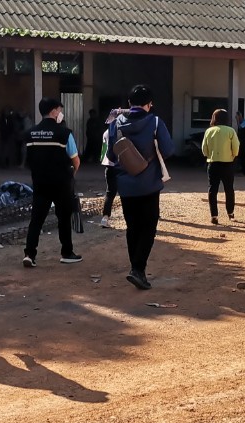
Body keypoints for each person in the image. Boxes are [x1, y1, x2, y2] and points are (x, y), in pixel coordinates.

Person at [107, 84, 173, 290]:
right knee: (148, 226)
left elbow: (110, 155)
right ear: (150, 104)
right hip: (149, 184)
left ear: (129, 103)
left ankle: (135, 268)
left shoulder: (115, 123)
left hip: (125, 185)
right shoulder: (155, 122)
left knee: (133, 227)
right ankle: (138, 269)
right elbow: (168, 150)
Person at [22, 97, 82, 267]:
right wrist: (71, 175)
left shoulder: (30, 134)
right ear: (54, 111)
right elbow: (75, 160)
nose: (60, 113)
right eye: (59, 110)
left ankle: (29, 254)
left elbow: (29, 161)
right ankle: (67, 253)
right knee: (63, 218)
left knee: (36, 219)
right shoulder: (64, 133)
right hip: (61, 183)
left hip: (40, 183)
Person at [200, 108, 239, 224]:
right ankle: (230, 213)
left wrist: (210, 155)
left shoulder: (209, 131)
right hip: (228, 164)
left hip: (213, 163)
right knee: (229, 189)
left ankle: (214, 215)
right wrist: (232, 155)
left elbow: (204, 149)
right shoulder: (231, 131)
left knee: (212, 189)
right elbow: (236, 148)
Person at [99, 108, 128, 228]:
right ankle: (129, 219)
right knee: (125, 193)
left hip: (109, 166)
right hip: (121, 166)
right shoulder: (123, 131)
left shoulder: (106, 132)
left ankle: (105, 218)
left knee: (110, 193)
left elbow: (103, 152)